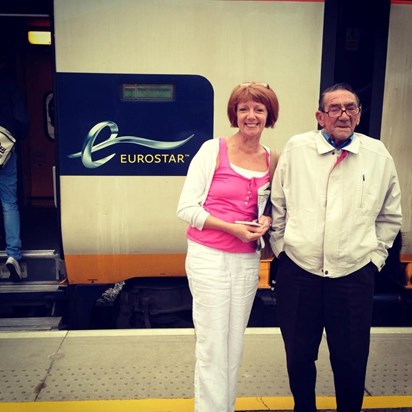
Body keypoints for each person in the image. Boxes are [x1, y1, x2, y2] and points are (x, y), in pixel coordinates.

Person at [269, 82, 402, 412]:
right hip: (300, 272)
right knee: (299, 356)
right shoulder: (297, 150)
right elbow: (279, 204)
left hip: (354, 275)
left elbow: (390, 214)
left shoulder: (377, 156)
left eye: (351, 108)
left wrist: (375, 258)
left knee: (351, 359)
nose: (343, 114)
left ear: (358, 115)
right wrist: (283, 249)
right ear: (320, 116)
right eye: (335, 108)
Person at [177, 82, 279, 412]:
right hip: (209, 257)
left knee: (234, 344)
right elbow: (186, 208)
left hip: (247, 261)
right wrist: (231, 228)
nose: (251, 115)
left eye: (258, 109)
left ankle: (226, 407)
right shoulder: (212, 150)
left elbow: (270, 208)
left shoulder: (271, 160)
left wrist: (265, 222)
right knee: (212, 344)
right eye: (244, 109)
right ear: (234, 114)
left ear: (269, 116)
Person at [0, 54, 29, 281]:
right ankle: (13, 255)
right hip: (4, 149)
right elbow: (21, 118)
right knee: (9, 203)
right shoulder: (9, 84)